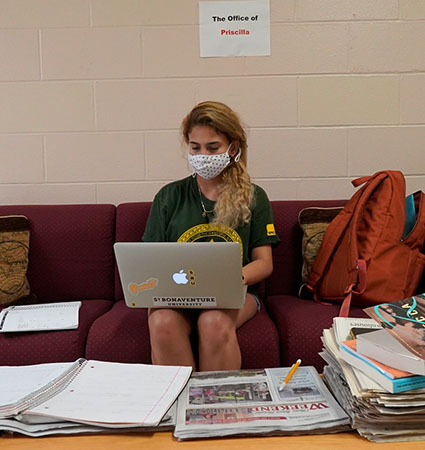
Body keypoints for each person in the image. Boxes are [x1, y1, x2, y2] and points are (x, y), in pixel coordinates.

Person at [143, 101, 279, 371]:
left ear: (233, 148)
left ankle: (219, 409)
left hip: (233, 295)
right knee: (162, 322)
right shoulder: (169, 196)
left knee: (213, 321)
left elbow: (264, 262)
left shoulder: (254, 196)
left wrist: (231, 279)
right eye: (195, 148)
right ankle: (177, 407)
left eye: (213, 147)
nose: (203, 155)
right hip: (177, 296)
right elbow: (151, 259)